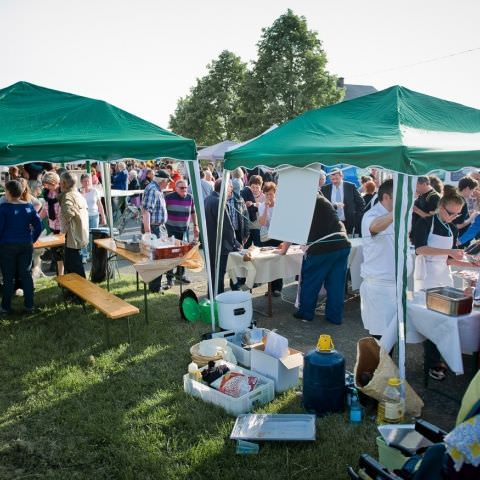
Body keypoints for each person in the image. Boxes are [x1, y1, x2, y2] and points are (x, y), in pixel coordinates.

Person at [412, 190, 472, 380]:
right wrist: (450, 252)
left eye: (457, 214)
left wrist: (470, 264)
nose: (453, 217)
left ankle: (443, 357)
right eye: (450, 213)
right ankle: (433, 362)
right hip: (426, 277)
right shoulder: (425, 223)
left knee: (446, 321)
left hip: (444, 277)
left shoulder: (452, 229)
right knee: (432, 321)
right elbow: (420, 249)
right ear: (440, 207)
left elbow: (448, 259)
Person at [294, 193, 351, 324]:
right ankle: (335, 317)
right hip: (342, 243)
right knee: (336, 285)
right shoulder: (322, 199)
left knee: (311, 281)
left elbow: (294, 229)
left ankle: (305, 313)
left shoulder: (304, 200)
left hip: (322, 247)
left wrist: (284, 249)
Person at [360, 179, 396, 341]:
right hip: (379, 286)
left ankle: (386, 366)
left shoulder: (396, 215)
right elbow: (374, 227)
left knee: (392, 334)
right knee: (381, 337)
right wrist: (397, 213)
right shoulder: (372, 214)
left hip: (395, 283)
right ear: (387, 197)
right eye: (400, 197)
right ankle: (381, 366)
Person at [0, 180, 42, 314]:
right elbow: (38, 225)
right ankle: (29, 306)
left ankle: (5, 307)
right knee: (26, 275)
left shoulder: (3, 208)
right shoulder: (29, 207)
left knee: (8, 277)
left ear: (9, 192)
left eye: (5, 191)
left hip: (7, 246)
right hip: (25, 245)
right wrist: (32, 239)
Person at [204, 179, 240, 294]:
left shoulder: (208, 199)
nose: (232, 190)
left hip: (210, 243)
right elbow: (227, 227)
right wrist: (234, 243)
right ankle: (216, 301)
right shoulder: (218, 201)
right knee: (218, 274)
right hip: (220, 245)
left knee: (214, 274)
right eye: (230, 187)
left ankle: (212, 297)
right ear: (225, 188)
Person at [164, 179, 199, 285]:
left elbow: (193, 212)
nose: (184, 190)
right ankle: (169, 278)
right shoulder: (168, 197)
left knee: (183, 254)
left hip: (184, 230)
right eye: (182, 188)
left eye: (186, 188)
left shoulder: (190, 197)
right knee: (171, 255)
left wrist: (196, 226)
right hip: (171, 229)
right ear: (176, 188)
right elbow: (162, 211)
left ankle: (180, 275)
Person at [142, 170, 170, 292]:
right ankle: (154, 287)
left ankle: (156, 285)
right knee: (157, 259)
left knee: (159, 258)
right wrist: (148, 232)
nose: (168, 184)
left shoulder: (156, 188)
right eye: (168, 181)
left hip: (158, 227)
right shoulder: (153, 189)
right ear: (163, 181)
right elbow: (146, 211)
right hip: (154, 228)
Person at [59, 171, 89, 278]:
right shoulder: (78, 194)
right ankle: (74, 292)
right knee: (75, 267)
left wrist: (63, 228)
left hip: (73, 237)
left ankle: (80, 293)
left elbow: (68, 213)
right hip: (79, 235)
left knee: (75, 269)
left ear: (63, 183)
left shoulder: (67, 196)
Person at [258, 182, 283, 296]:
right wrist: (266, 208)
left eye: (271, 194)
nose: (269, 197)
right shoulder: (262, 206)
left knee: (277, 261)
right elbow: (262, 223)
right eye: (267, 194)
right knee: (268, 262)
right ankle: (270, 288)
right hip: (267, 237)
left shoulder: (280, 204)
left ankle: (277, 288)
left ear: (275, 194)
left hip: (278, 236)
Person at [321, 168, 365, 235]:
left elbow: (361, 203)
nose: (334, 181)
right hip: (332, 222)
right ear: (329, 178)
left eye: (337, 179)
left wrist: (356, 217)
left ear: (342, 176)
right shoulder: (325, 189)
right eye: (332, 179)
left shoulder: (350, 186)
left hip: (349, 222)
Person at [40, 171, 64, 275]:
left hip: (63, 229)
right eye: (45, 184)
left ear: (54, 182)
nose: (45, 186)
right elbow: (44, 211)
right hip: (54, 228)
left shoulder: (62, 193)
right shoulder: (47, 193)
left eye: (47, 184)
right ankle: (60, 275)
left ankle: (65, 275)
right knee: (56, 254)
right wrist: (35, 220)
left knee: (63, 254)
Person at [79, 173, 106, 263]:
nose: (86, 183)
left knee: (93, 236)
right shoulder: (78, 192)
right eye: (84, 181)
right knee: (84, 236)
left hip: (94, 215)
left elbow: (99, 204)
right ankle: (84, 255)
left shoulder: (95, 191)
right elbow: (79, 204)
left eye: (88, 181)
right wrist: (82, 194)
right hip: (84, 216)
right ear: (81, 182)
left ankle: (93, 254)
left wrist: (103, 216)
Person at [240, 175, 265, 248]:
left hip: (258, 228)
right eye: (253, 187)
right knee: (246, 249)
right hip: (248, 227)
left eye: (257, 187)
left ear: (261, 187)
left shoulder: (263, 197)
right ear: (249, 186)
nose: (255, 189)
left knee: (259, 248)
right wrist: (244, 205)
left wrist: (254, 204)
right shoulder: (246, 195)